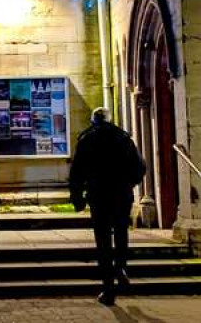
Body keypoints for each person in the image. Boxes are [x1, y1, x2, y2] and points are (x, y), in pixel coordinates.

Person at [68, 107, 146, 306]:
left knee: (102, 240)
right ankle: (120, 266)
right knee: (121, 232)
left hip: (99, 195)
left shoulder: (87, 139)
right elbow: (139, 167)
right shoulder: (123, 138)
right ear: (110, 120)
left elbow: (77, 171)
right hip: (122, 195)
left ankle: (108, 289)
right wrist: (129, 184)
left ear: (93, 121)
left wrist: (77, 197)